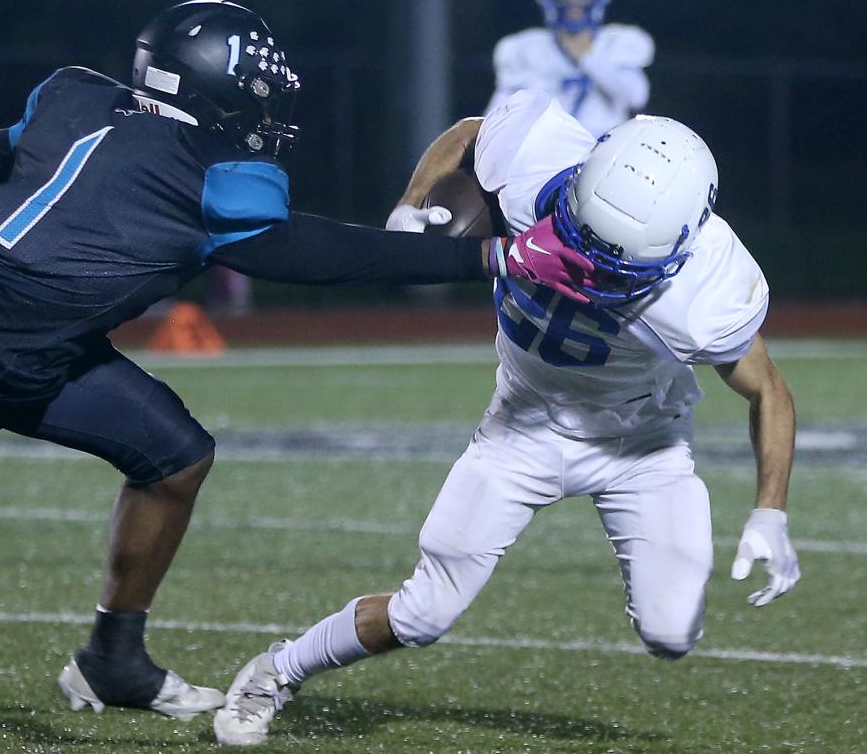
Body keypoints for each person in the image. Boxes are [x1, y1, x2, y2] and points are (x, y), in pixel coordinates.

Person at [0, 1, 587, 721]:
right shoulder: (207, 174)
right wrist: (491, 255)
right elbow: (322, 253)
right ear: (208, 88)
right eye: (253, 96)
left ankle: (111, 660)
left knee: (174, 456)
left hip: (46, 356)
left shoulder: (74, 100)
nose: (261, 115)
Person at [212, 89, 801, 746]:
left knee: (672, 633)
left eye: (620, 267)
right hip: (521, 429)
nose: (595, 274)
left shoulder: (709, 290)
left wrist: (770, 511)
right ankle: (277, 669)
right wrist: (411, 205)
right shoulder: (535, 159)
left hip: (643, 446)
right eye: (585, 244)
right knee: (424, 612)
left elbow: (768, 391)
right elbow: (469, 131)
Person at [486, 0, 653, 137]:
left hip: (606, 150)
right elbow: (497, 114)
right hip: (547, 152)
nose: (574, 7)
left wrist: (588, 58)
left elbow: (635, 97)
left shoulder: (616, 42)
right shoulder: (526, 49)